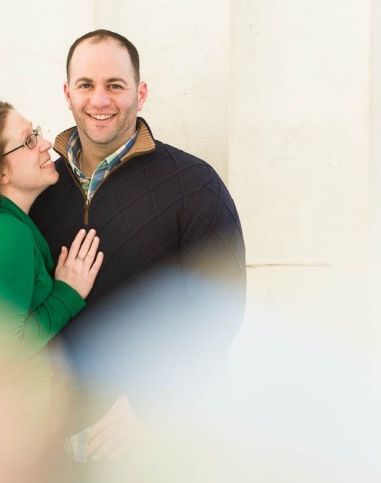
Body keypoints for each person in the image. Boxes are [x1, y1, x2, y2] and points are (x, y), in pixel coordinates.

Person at [29, 30, 246, 479]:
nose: (99, 100)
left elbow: (217, 309)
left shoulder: (195, 184)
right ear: (67, 93)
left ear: (140, 93)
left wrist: (150, 406)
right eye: (86, 85)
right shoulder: (37, 187)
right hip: (48, 444)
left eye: (115, 85)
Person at [0, 101, 104, 482]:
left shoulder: (3, 227)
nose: (46, 145)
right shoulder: (3, 233)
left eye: (36, 133)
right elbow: (6, 350)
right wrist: (67, 293)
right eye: (28, 142)